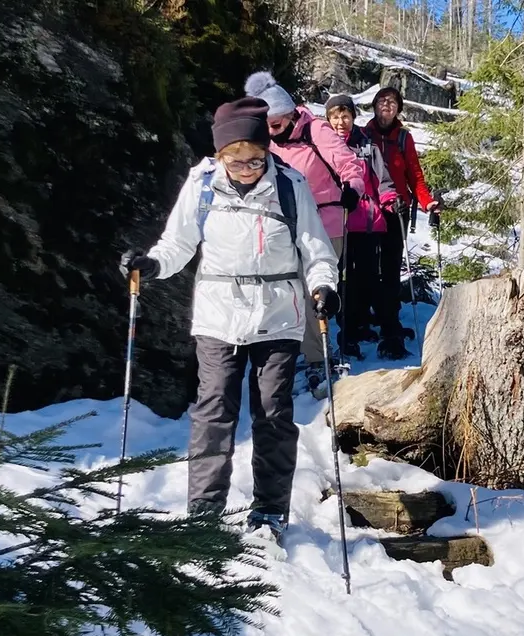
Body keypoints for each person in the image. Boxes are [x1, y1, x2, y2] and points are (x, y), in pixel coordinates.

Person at [118, 96, 340, 543]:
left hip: (278, 314)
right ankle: (203, 515)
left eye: (255, 160)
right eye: (235, 162)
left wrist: (324, 286)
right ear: (220, 155)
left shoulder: (290, 185)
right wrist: (152, 265)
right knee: (214, 411)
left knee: (274, 414)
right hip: (219, 315)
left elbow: (316, 250)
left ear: (267, 151)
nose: (246, 170)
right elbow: (177, 244)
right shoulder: (201, 184)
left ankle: (270, 512)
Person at [245, 71, 366, 392]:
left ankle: (319, 357)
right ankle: (304, 350)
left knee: (317, 290)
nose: (270, 131)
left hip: (326, 223)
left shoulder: (316, 130)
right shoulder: (268, 142)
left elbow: (350, 164)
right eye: (266, 125)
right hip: (286, 226)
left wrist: (353, 188)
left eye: (274, 124)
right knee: (289, 290)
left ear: (288, 113)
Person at [323, 94, 403, 360]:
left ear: (353, 118)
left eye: (345, 116)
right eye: (335, 117)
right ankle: (347, 330)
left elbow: (384, 181)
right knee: (342, 279)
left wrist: (391, 201)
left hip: (367, 222)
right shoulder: (321, 146)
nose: (340, 122)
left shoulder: (367, 147)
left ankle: (359, 326)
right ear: (328, 119)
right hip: (336, 223)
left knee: (367, 276)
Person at [365, 86, 441, 360]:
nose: (387, 105)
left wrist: (427, 202)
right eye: (382, 101)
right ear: (374, 105)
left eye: (393, 102)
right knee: (365, 268)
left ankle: (390, 323)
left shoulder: (404, 138)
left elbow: (415, 177)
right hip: (367, 210)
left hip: (397, 211)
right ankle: (369, 318)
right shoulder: (364, 134)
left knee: (389, 269)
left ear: (398, 109)